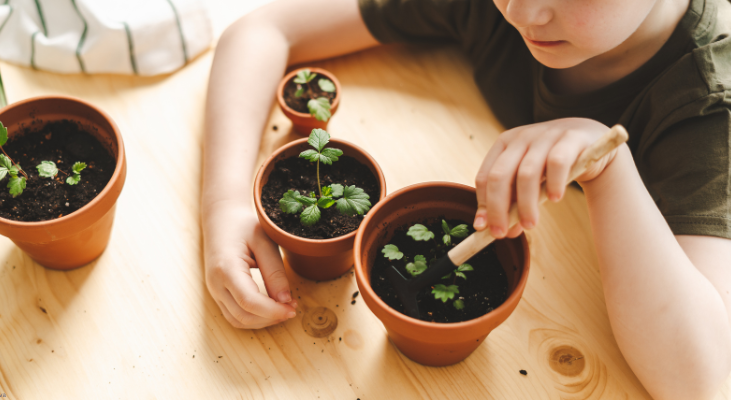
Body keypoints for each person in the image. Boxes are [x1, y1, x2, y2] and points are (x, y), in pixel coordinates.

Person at [201, 0, 731, 398]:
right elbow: (262, 29)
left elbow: (703, 378)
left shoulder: (707, 106)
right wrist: (224, 202)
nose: (523, 12)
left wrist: (608, 166)